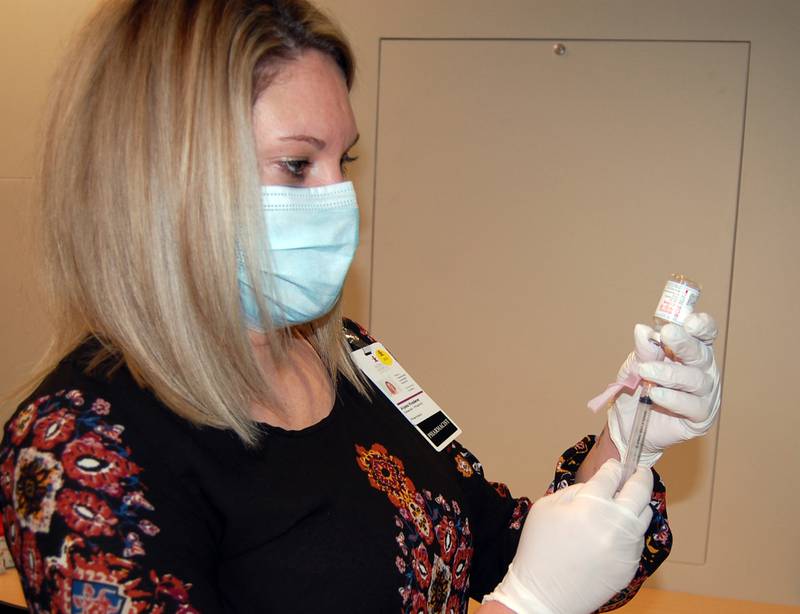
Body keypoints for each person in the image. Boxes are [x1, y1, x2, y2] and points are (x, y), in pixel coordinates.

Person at [0, 1, 721, 612]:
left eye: (343, 161)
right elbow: (526, 587)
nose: (339, 198)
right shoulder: (80, 441)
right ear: (163, 175)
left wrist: (629, 443)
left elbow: (499, 544)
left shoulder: (346, 357)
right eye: (295, 164)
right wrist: (524, 607)